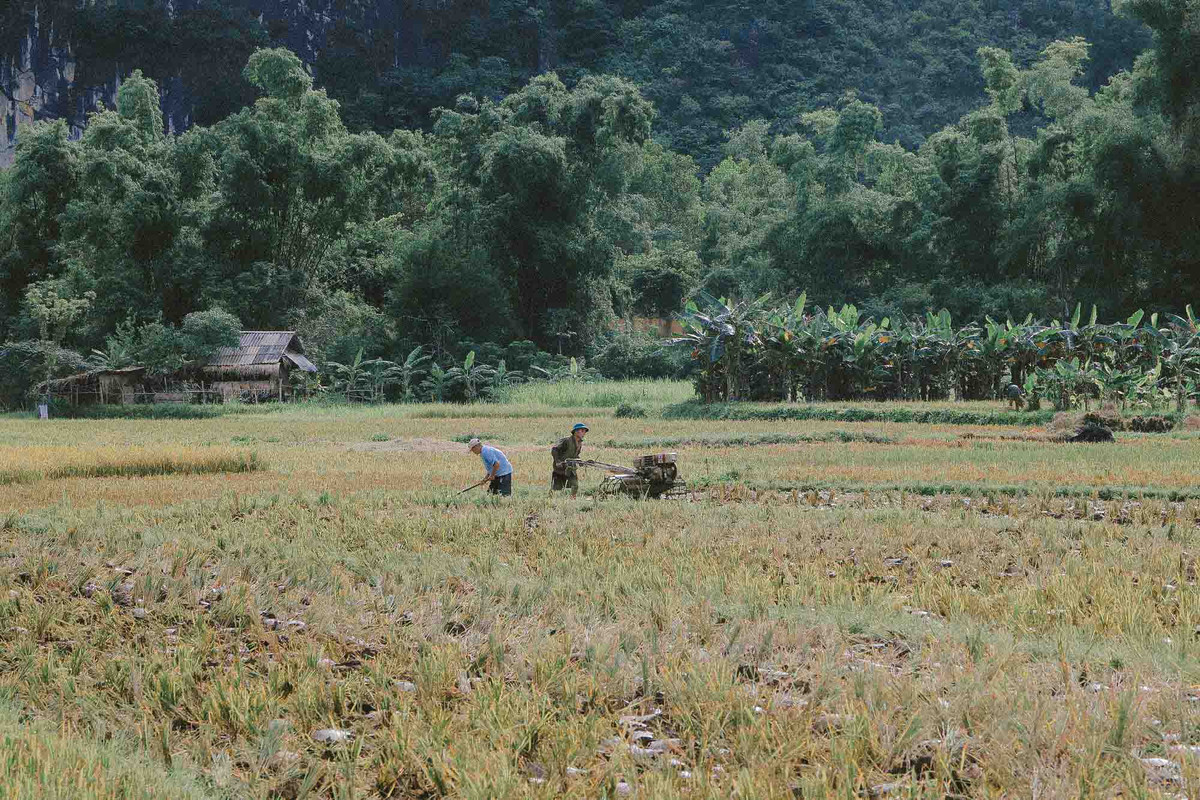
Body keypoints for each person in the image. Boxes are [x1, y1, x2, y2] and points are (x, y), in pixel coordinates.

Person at [551, 423, 588, 496]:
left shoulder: (580, 443)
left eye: (585, 431)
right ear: (576, 431)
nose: (584, 433)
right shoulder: (566, 440)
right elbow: (554, 449)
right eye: (582, 430)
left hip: (571, 468)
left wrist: (580, 461)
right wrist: (557, 461)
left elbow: (575, 455)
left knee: (575, 485)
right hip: (561, 468)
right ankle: (550, 500)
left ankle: (572, 500)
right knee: (557, 488)